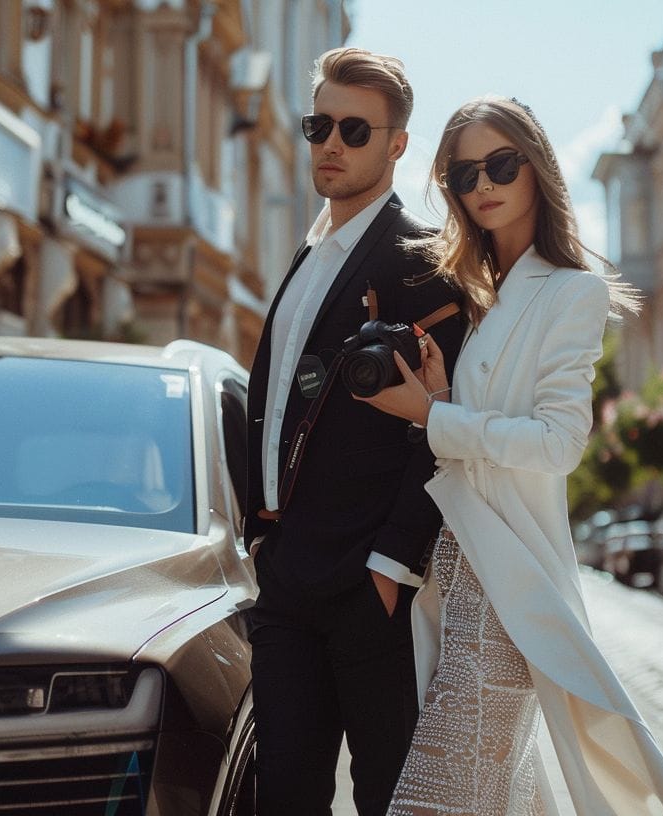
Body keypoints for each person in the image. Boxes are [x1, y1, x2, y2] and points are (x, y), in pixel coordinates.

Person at [357, 96, 663, 815]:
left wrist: (432, 415)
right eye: (463, 174)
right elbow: (475, 440)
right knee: (482, 794)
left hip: (508, 582)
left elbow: (558, 444)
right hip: (458, 572)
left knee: (441, 799)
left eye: (500, 164)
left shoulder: (569, 291)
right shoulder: (482, 301)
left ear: (537, 168)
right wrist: (443, 396)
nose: (482, 183)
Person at [243, 47, 466, 816]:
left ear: (397, 143)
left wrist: (391, 564)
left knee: (385, 797)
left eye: (354, 129)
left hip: (367, 584)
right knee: (286, 795)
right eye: (318, 125)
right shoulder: (309, 253)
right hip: (286, 574)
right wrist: (257, 532)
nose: (331, 143)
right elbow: (272, 402)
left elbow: (443, 424)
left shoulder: (423, 263)